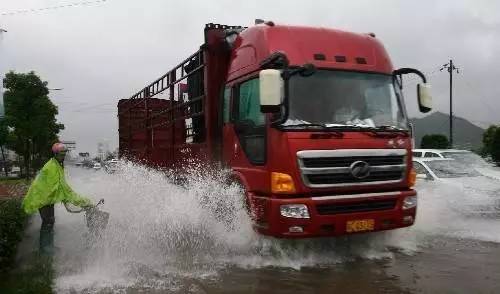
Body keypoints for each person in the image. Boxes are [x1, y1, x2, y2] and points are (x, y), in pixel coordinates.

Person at [22, 142, 93, 253]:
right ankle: (45, 249)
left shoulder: (57, 164)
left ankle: (47, 246)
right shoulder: (52, 167)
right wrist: (84, 202)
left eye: (65, 153)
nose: (63, 156)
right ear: (55, 154)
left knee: (50, 221)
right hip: (42, 198)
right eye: (61, 154)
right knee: (48, 221)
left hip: (46, 198)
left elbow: (62, 189)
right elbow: (64, 190)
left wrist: (79, 201)